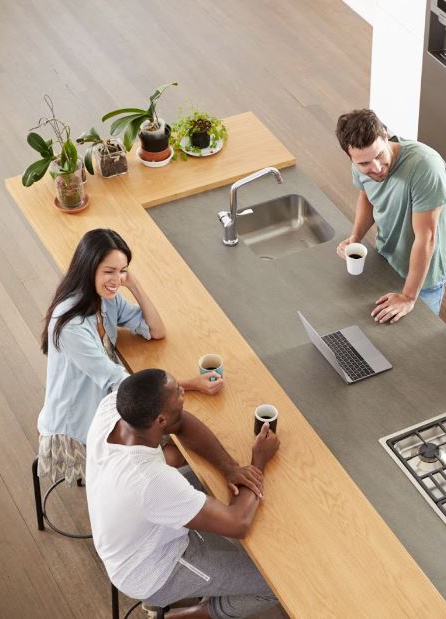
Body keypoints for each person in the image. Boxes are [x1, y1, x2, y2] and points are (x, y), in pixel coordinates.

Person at [86, 369, 280, 619]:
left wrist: (230, 468)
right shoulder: (149, 480)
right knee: (274, 583)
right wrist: (258, 462)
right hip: (152, 568)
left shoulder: (115, 407)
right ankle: (187, 615)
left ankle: (216, 581)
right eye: (177, 392)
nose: (182, 390)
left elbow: (182, 422)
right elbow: (237, 524)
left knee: (208, 480)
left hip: (139, 526)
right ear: (160, 421)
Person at [37, 228, 222, 484]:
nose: (117, 279)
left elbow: (156, 330)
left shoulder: (104, 298)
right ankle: (128, 492)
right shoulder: (71, 325)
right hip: (78, 428)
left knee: (179, 437)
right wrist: (190, 384)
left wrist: (133, 284)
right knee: (174, 447)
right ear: (88, 269)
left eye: (122, 270)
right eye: (109, 271)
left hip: (106, 403)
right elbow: (120, 382)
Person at [334, 108, 446, 322]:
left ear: (386, 136)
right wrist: (355, 237)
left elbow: (426, 238)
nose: (377, 167)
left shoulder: (425, 167)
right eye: (364, 164)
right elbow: (367, 197)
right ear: (351, 158)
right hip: (388, 257)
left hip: (424, 273)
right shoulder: (361, 164)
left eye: (379, 155)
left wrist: (408, 297)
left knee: (418, 338)